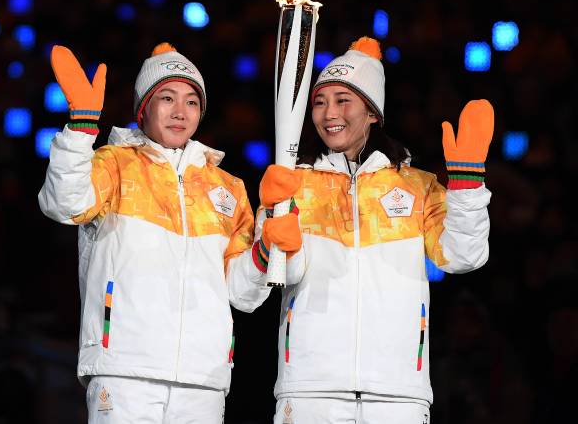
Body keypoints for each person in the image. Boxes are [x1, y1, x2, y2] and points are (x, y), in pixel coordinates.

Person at [38, 42, 284, 423]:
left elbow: (242, 293)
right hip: (124, 370)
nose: (179, 112)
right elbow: (63, 203)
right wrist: (81, 129)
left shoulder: (228, 188)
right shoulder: (113, 165)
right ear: (144, 108)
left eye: (191, 101)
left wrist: (269, 247)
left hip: (203, 379)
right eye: (166, 98)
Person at [256, 36, 494, 424]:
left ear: (372, 111)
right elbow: (281, 274)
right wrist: (273, 223)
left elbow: (463, 257)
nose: (329, 112)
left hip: (398, 392)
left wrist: (466, 187)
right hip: (311, 388)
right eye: (319, 102)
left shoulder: (416, 186)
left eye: (343, 100)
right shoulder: (293, 183)